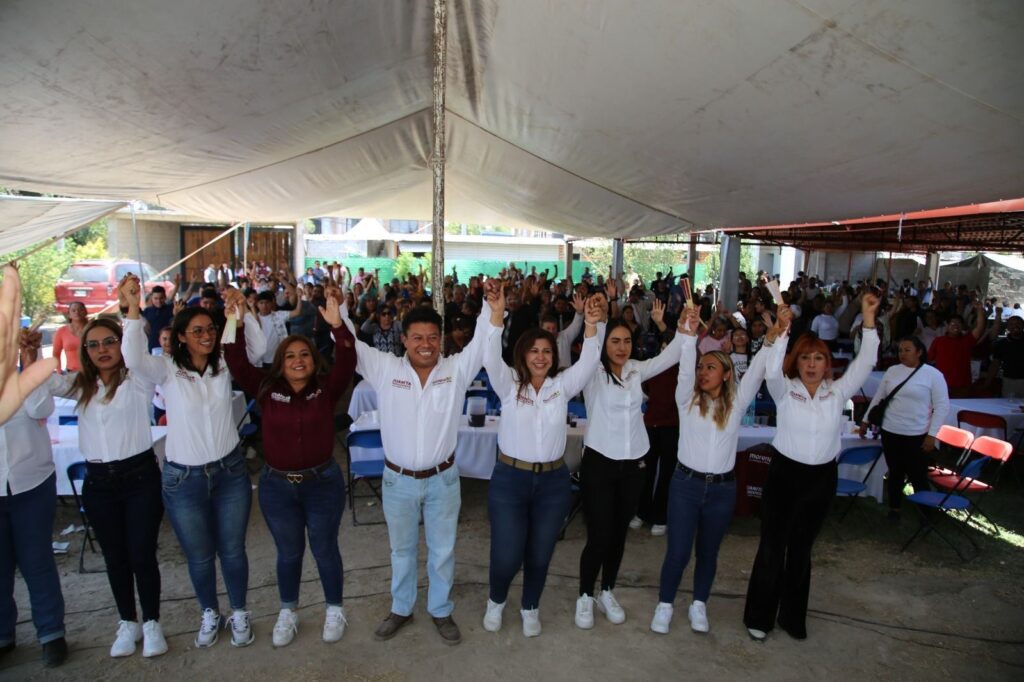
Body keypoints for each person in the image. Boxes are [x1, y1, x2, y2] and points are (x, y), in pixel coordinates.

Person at [342, 281, 502, 646]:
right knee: (401, 549)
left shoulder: (456, 370)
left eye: (432, 337)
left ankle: (441, 609)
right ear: (405, 340)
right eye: (417, 337)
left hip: (443, 479)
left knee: (443, 550)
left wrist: (492, 310)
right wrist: (338, 314)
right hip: (398, 480)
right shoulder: (385, 369)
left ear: (441, 339)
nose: (425, 344)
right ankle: (401, 607)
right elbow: (351, 343)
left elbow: (482, 342)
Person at [120, 275, 266, 649]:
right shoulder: (166, 367)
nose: (207, 334)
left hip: (230, 472)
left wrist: (243, 311)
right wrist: (133, 308)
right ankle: (208, 612)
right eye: (197, 329)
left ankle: (238, 611)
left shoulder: (223, 361)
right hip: (183, 479)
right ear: (181, 335)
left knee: (233, 550)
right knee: (200, 556)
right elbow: (132, 358)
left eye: (211, 328)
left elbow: (261, 348)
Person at [222, 289, 356, 647]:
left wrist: (338, 327)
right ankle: (288, 612)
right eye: (290, 356)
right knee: (289, 552)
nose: (298, 360)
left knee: (325, 548)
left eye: (304, 355)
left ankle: (334, 609)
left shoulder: (326, 390)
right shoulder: (266, 388)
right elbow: (235, 360)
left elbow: (346, 358)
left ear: (313, 361)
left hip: (322, 483)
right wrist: (234, 319)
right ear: (280, 363)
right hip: (277, 487)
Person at [743, 293, 880, 642]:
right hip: (784, 476)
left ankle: (792, 617)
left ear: (826, 362)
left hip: (820, 479)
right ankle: (759, 617)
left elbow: (865, 363)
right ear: (797, 361)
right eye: (806, 358)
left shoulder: (837, 392)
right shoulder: (784, 390)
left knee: (801, 551)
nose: (812, 364)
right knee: (772, 547)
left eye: (819, 358)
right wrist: (783, 329)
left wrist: (868, 321)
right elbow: (772, 368)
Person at [29, 318, 169, 658]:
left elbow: (137, 350)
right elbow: (40, 386)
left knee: (141, 553)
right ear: (85, 352)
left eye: (109, 342)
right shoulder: (79, 384)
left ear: (121, 345)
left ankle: (151, 621)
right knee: (115, 556)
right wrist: (29, 352)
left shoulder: (138, 379)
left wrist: (133, 311)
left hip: (139, 478)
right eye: (93, 345)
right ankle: (128, 622)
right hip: (99, 483)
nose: (102, 350)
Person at [652, 306, 790, 635]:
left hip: (722, 490)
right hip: (685, 485)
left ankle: (699, 603)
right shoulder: (686, 399)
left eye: (711, 367)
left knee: (709, 552)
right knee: (678, 551)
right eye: (702, 366)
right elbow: (685, 368)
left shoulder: (737, 402)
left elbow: (757, 370)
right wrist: (686, 332)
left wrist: (772, 339)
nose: (703, 371)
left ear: (727, 373)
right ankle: (665, 604)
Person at [481, 290, 605, 637]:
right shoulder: (508, 386)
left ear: (554, 356)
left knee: (540, 552)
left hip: (553, 483)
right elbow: (490, 357)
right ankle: (496, 599)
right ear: (522, 354)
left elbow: (590, 362)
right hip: (510, 480)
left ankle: (530, 606)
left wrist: (591, 327)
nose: (540, 357)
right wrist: (496, 317)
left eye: (546, 351)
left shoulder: (561, 387)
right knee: (507, 554)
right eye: (534, 351)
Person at [576, 298, 686, 629]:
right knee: (599, 534)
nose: (622, 347)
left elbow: (672, 354)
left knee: (620, 534)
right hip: (599, 464)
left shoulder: (638, 370)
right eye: (615, 341)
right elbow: (587, 349)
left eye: (626, 341)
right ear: (604, 343)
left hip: (633, 465)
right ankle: (585, 595)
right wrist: (592, 324)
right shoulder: (592, 374)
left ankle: (607, 589)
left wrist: (679, 327)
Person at [0, 376, 67, 667]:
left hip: (32, 482)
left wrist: (30, 367)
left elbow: (41, 410)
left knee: (37, 562)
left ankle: (51, 633)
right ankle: (3, 634)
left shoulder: (24, 378)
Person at [860, 336, 950, 519]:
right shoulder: (892, 371)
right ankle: (894, 508)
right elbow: (879, 396)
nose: (902, 354)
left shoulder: (933, 375)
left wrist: (932, 435)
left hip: (917, 433)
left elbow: (942, 406)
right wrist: (865, 420)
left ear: (919, 352)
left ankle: (926, 513)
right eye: (900, 350)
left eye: (907, 350)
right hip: (890, 431)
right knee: (895, 472)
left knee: (918, 475)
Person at [927, 301, 986, 397]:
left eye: (959, 323)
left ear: (962, 327)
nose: (956, 325)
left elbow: (980, 327)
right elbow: (928, 359)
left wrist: (979, 310)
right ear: (947, 326)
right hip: (941, 385)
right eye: (953, 323)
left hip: (962, 386)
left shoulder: (967, 340)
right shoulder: (938, 341)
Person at [986, 314, 1024, 398]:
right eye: (1011, 324)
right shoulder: (1002, 344)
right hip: (1009, 381)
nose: (1015, 326)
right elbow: (995, 364)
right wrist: (987, 383)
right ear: (1007, 327)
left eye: (1018, 323)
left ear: (1023, 325)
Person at [52, 301, 87, 372]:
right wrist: (59, 371)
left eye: (80, 310)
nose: (77, 312)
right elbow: (56, 353)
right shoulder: (61, 331)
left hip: (93, 373)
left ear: (85, 312)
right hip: (70, 373)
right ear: (69, 315)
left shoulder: (93, 329)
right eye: (73, 310)